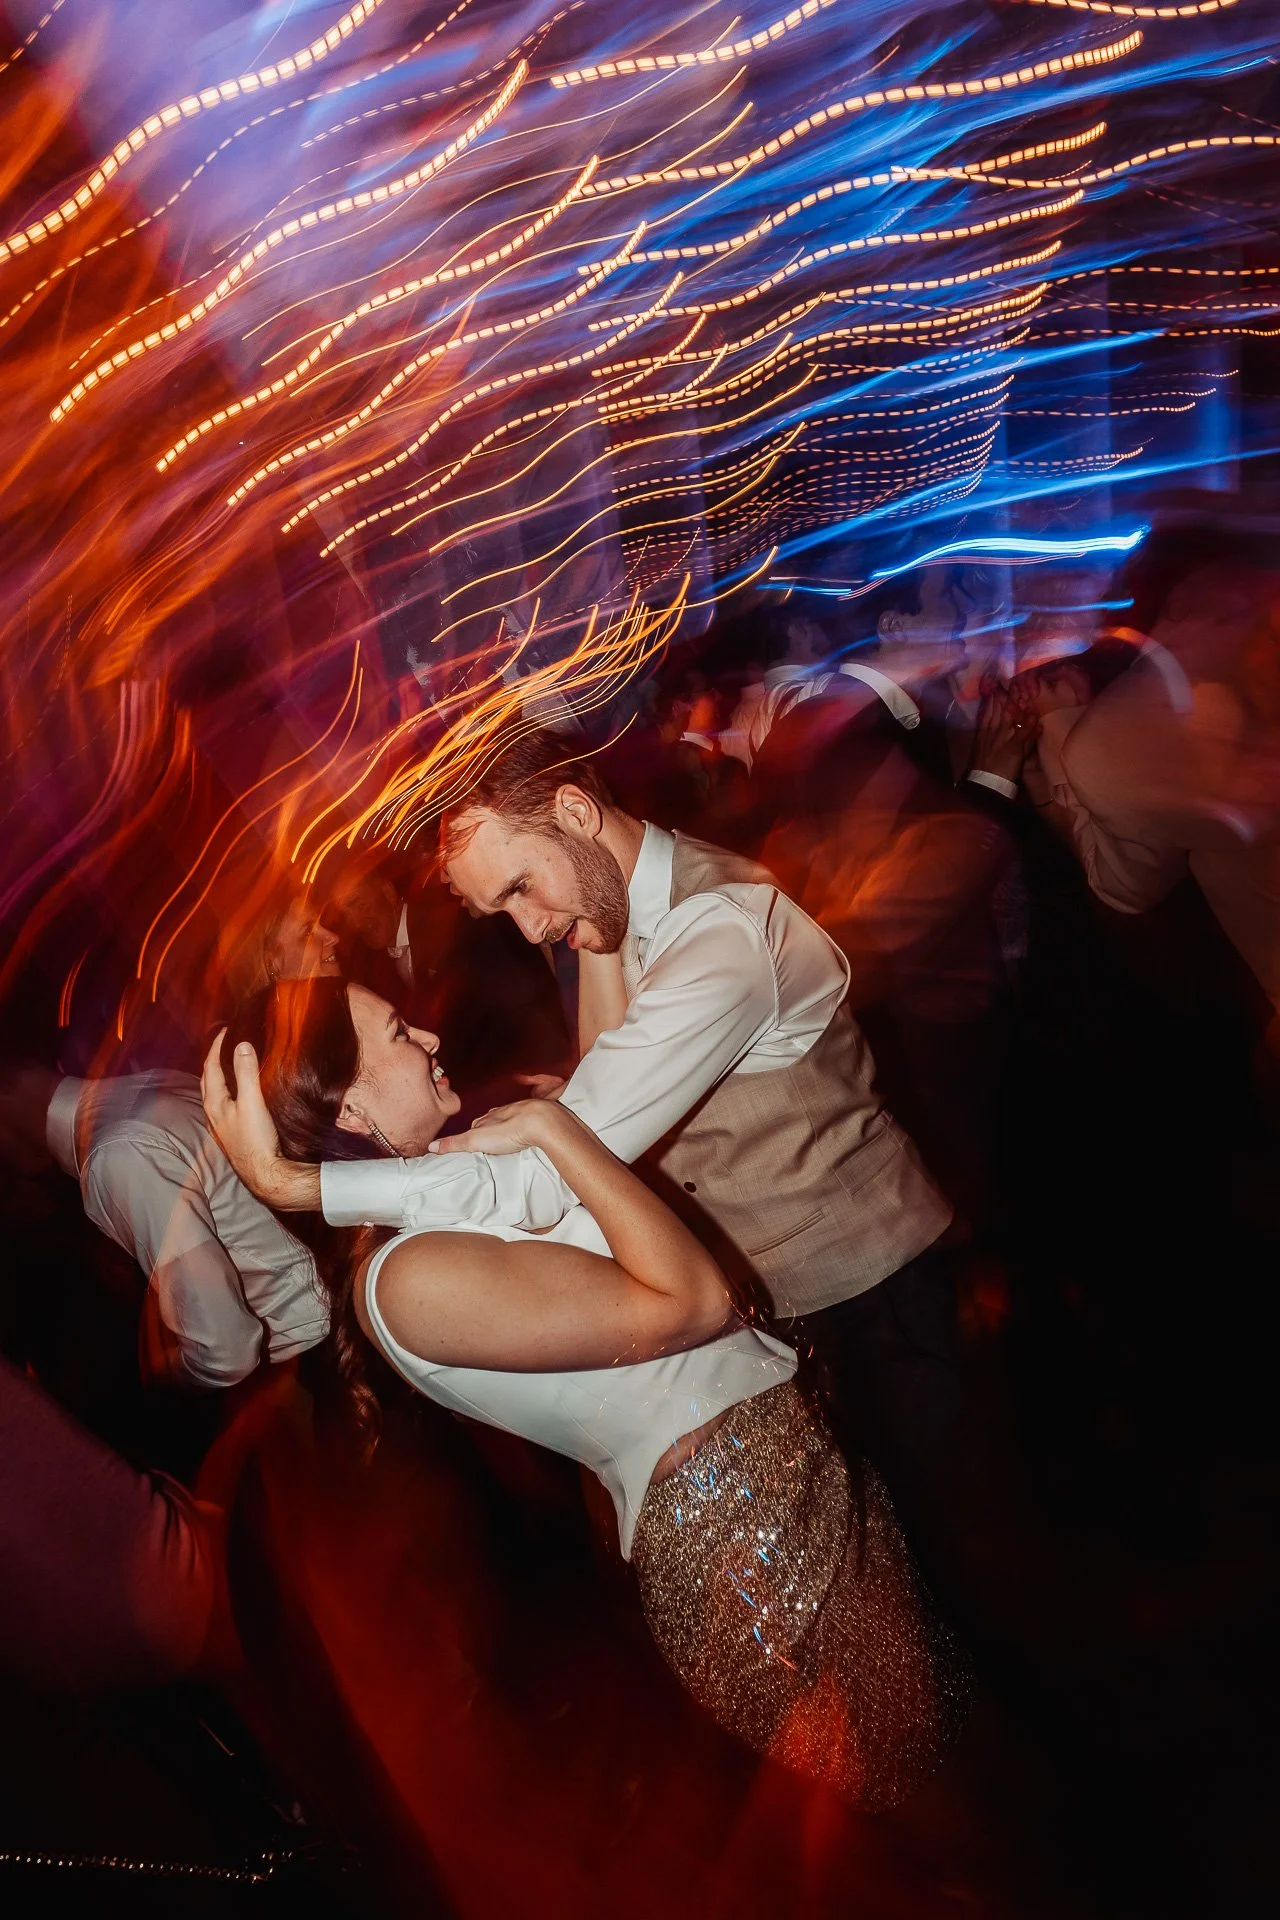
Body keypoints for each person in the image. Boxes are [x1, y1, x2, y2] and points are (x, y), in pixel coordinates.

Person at [208, 978, 971, 1808]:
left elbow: (607, 1082)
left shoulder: (456, 1186)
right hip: (746, 1535)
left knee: (953, 1756)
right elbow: (690, 1304)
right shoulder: (406, 1278)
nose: (428, 1034)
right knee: (948, 1798)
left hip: (778, 1482)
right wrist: (559, 1135)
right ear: (350, 1111)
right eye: (396, 1031)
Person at [0, 1057, 328, 1389]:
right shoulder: (153, 1081)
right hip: (329, 1307)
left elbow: (227, 1350)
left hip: (313, 1353)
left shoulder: (115, 1153)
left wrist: (162, 1375)